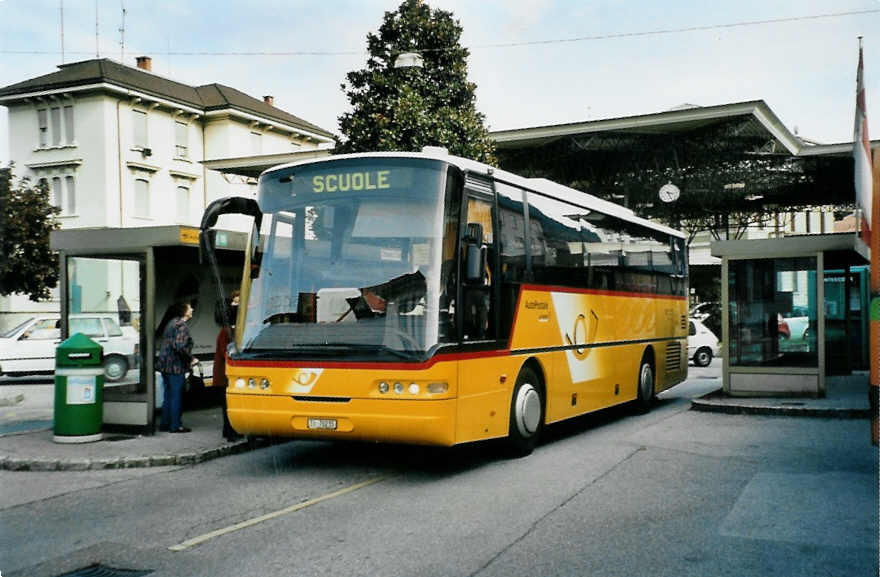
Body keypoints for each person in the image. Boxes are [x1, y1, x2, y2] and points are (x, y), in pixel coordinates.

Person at [156, 301, 195, 433]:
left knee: (168, 395)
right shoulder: (182, 326)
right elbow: (179, 346)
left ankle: (165, 424)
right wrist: (191, 359)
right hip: (175, 366)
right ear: (184, 311)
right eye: (190, 308)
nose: (192, 310)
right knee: (176, 395)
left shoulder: (171, 323)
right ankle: (176, 425)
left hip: (164, 364)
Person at [214, 291, 241, 441]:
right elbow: (226, 353)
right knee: (227, 405)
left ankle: (229, 431)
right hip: (225, 375)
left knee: (227, 404)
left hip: (224, 374)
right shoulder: (227, 332)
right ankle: (230, 432)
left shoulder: (226, 331)